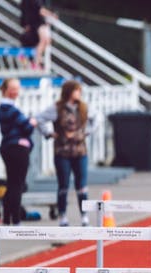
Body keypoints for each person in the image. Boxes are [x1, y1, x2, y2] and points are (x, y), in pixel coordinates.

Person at [36, 79, 97, 227]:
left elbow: (97, 119)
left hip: (80, 151)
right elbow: (39, 119)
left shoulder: (83, 107)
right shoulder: (57, 108)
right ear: (69, 91)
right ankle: (62, 215)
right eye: (77, 90)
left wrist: (85, 133)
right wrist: (50, 133)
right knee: (63, 185)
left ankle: (84, 216)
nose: (79, 94)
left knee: (81, 185)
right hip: (62, 152)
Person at [0, 77, 36, 225]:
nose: (16, 91)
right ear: (6, 90)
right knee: (17, 184)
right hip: (18, 148)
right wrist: (31, 122)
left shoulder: (5, 108)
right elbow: (27, 128)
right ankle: (16, 219)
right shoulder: (10, 109)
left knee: (12, 183)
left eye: (17, 88)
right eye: (13, 88)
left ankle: (7, 218)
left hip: (9, 147)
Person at [20, 0, 56, 70]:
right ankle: (36, 63)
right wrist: (51, 15)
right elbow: (40, 10)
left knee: (45, 41)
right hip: (34, 25)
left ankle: (36, 63)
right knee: (43, 41)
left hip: (33, 25)